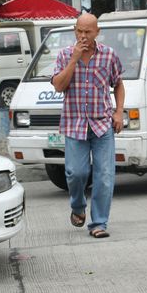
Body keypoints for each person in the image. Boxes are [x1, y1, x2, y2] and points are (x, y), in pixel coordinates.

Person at [51, 13, 125, 239]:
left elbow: (118, 85)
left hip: (102, 124)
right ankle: (77, 206)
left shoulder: (109, 55)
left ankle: (99, 223)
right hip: (74, 124)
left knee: (104, 176)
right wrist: (74, 59)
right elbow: (58, 86)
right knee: (76, 173)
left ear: (97, 32)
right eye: (79, 31)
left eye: (88, 32)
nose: (83, 36)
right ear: (75, 30)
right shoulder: (64, 55)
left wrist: (119, 111)